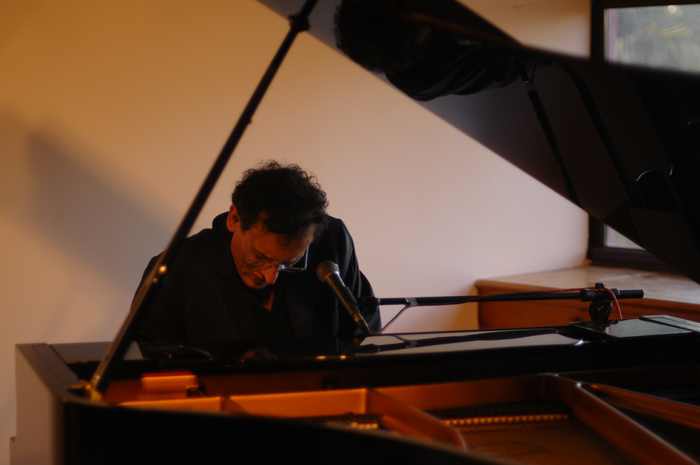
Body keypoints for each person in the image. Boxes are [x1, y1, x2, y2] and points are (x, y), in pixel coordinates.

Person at [136, 161, 380, 343]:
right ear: (234, 218)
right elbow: (151, 366)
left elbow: (365, 333)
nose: (271, 277)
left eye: (290, 263)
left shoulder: (332, 242)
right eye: (260, 258)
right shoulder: (176, 269)